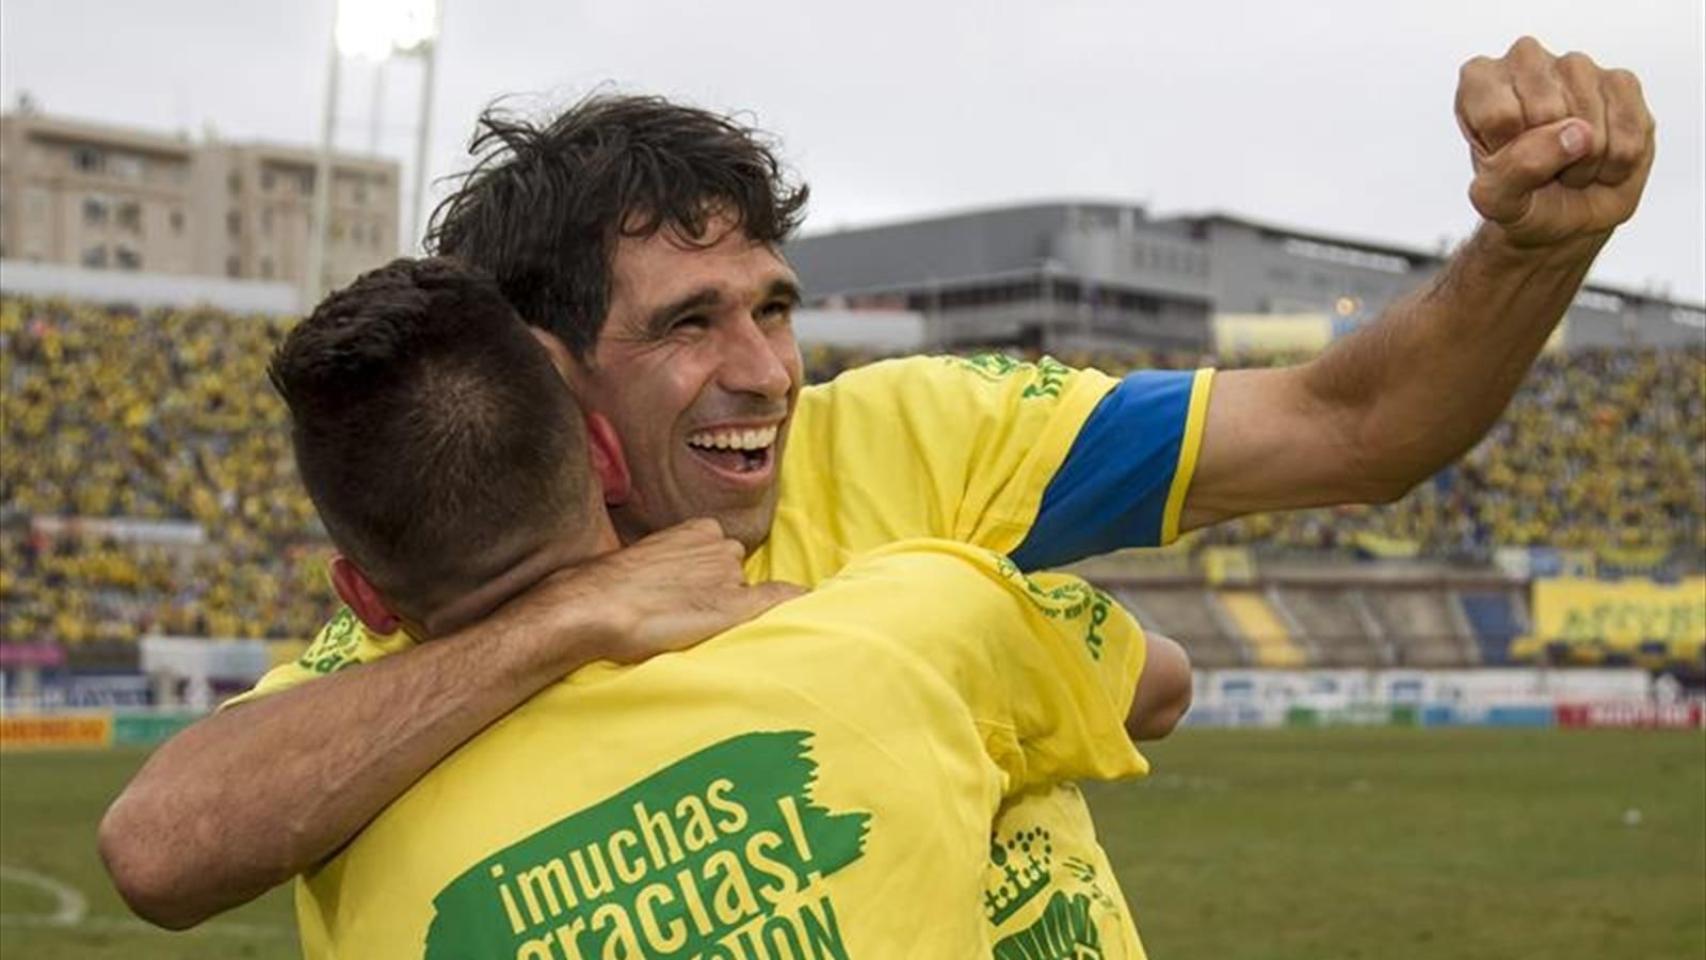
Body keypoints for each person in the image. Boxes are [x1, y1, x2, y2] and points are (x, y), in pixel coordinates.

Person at [100, 33, 1656, 953]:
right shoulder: (432, 623)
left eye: (772, 306)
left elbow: (1353, 424)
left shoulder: (918, 439)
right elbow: (163, 846)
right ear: (549, 372)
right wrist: (569, 620)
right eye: (688, 324)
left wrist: (1529, 250)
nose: (766, 372)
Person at [265, 257, 1191, 958]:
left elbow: (158, 852)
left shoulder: (344, 828)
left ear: (365, 597)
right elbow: (1159, 684)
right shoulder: (908, 621)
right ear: (605, 457)